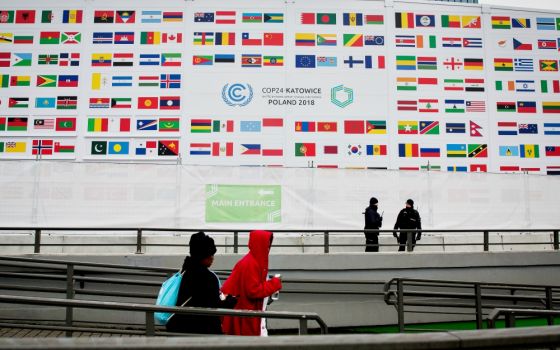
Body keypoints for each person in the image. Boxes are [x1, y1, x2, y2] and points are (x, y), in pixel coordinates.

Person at [166, 231, 236, 334]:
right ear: (202, 255)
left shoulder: (186, 271)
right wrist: (232, 300)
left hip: (182, 327)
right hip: (202, 329)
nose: (212, 257)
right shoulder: (207, 277)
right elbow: (216, 303)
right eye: (210, 254)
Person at [221, 230, 282, 336]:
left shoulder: (252, 261)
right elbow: (253, 291)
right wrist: (274, 284)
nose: (268, 248)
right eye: (266, 244)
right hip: (245, 318)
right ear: (261, 245)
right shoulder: (251, 264)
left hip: (244, 315)